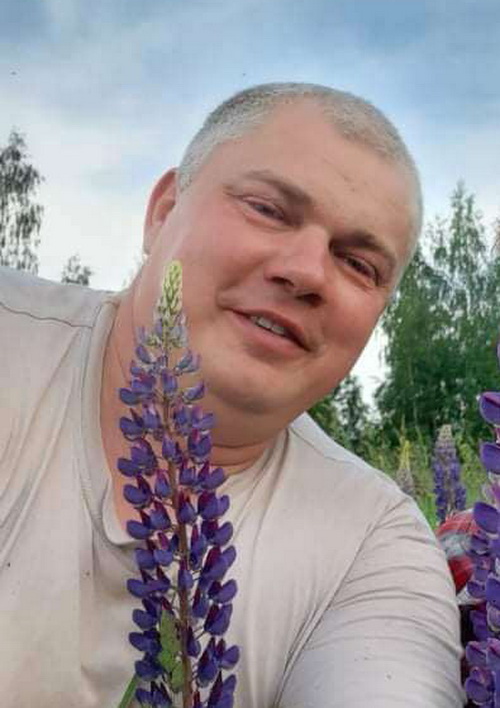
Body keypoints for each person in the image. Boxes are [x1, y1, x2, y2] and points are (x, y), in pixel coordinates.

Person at [0, 83, 463, 707]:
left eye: (359, 264)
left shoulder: (376, 547)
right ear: (163, 211)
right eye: (268, 209)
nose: (305, 271)